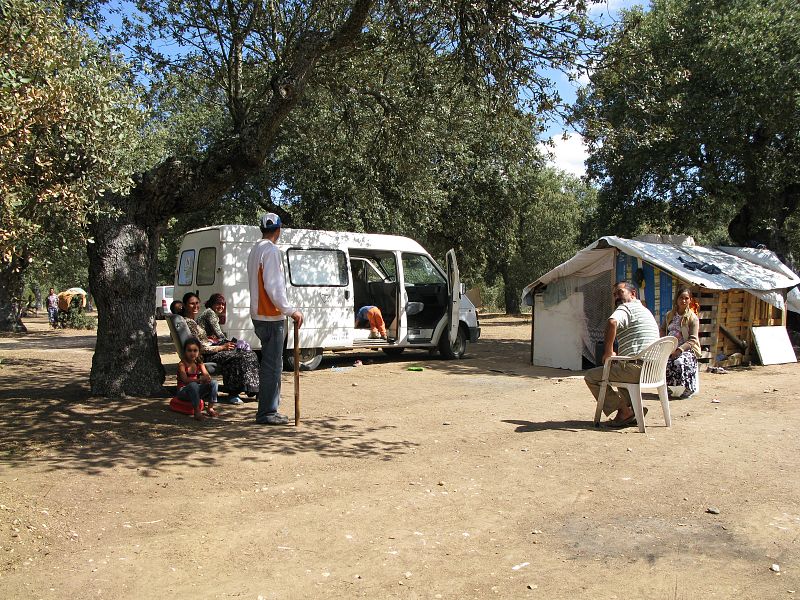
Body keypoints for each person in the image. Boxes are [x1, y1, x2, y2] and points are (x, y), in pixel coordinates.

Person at [247, 213, 303, 426]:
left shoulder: (255, 249)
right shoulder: (270, 251)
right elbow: (274, 287)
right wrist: (290, 310)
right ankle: (267, 412)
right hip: (270, 316)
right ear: (279, 230)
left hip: (259, 315)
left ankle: (269, 408)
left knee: (270, 364)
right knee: (272, 366)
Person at [584, 281, 660, 428]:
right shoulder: (645, 311)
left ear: (633, 294)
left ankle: (624, 411)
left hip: (636, 369)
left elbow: (612, 322)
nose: (616, 297)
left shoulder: (626, 308)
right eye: (614, 295)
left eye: (620, 292)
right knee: (619, 367)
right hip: (653, 370)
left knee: (591, 377)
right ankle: (632, 409)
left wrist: (608, 351)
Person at [182, 292, 259, 405]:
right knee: (239, 356)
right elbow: (200, 349)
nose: (195, 306)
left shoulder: (193, 321)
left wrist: (216, 343)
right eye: (191, 304)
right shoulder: (190, 323)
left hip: (211, 349)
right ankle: (233, 393)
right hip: (206, 355)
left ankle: (253, 389)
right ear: (185, 305)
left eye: (197, 303)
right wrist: (222, 347)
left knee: (249, 354)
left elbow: (203, 341)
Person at [662, 287, 701, 399]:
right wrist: (664, 343)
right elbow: (662, 329)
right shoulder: (670, 315)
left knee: (679, 361)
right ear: (676, 299)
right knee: (664, 362)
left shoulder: (692, 318)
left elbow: (693, 339)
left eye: (686, 298)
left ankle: (688, 389)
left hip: (686, 349)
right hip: (670, 347)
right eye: (681, 298)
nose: (683, 301)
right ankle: (668, 388)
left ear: (690, 300)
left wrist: (679, 350)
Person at [177, 338, 218, 420]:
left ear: (199, 352)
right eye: (189, 350)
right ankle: (197, 411)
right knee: (193, 385)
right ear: (185, 351)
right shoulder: (182, 364)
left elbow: (207, 375)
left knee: (214, 383)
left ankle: (210, 408)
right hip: (183, 392)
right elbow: (185, 380)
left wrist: (207, 379)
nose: (192, 353)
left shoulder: (199, 363)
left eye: (195, 351)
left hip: (196, 389)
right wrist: (199, 380)